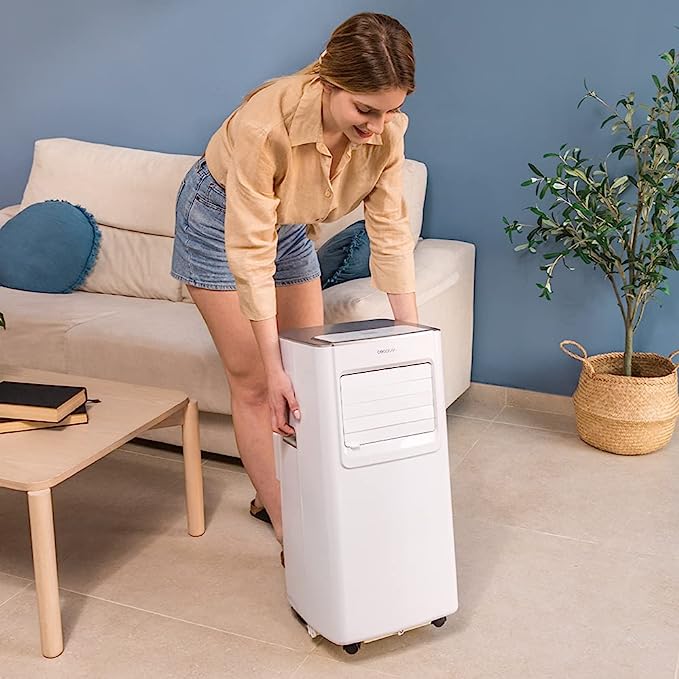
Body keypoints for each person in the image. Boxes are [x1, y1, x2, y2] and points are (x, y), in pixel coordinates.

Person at [170, 12, 419, 559]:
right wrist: (273, 362)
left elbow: (391, 230)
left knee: (309, 373)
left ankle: (287, 495)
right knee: (260, 383)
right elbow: (251, 255)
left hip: (286, 225)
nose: (379, 127)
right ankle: (288, 525)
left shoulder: (385, 132)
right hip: (220, 222)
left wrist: (411, 335)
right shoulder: (266, 125)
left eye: (393, 110)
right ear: (330, 82)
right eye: (365, 110)